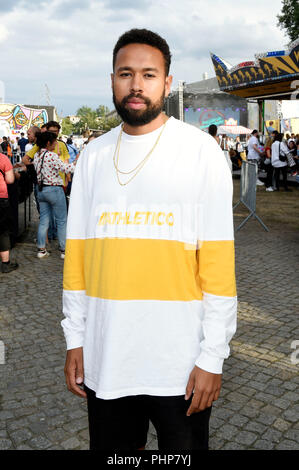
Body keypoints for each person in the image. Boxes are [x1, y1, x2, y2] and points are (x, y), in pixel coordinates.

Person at [62, 28, 237, 451]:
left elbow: (217, 266)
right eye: (126, 73)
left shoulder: (201, 153)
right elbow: (78, 261)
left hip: (179, 364)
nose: (136, 85)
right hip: (107, 357)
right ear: (112, 81)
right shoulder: (93, 157)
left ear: (167, 83)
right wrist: (75, 339)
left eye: (149, 74)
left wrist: (212, 356)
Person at [33, 132, 77, 259]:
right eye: (54, 142)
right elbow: (66, 168)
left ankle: (41, 250)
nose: (56, 144)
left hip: (42, 190)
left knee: (44, 220)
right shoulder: (51, 155)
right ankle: (64, 250)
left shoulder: (37, 155)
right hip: (54, 189)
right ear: (48, 143)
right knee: (61, 220)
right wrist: (76, 163)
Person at [0, 152, 18, 273]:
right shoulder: (3, 158)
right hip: (1, 198)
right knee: (2, 231)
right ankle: (5, 264)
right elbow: (10, 180)